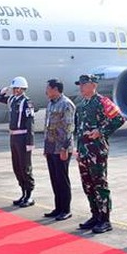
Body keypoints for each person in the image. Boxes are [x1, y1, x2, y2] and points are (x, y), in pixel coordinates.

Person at [74, 74, 125, 233]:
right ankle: (95, 215)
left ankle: (105, 219)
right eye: (80, 84)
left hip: (97, 149)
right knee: (87, 184)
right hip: (83, 151)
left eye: (84, 84)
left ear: (93, 85)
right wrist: (78, 148)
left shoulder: (102, 101)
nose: (81, 87)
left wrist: (101, 132)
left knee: (99, 184)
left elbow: (119, 119)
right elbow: (78, 129)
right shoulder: (81, 105)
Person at [0, 76, 36, 207]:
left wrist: (30, 142)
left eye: (16, 88)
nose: (14, 90)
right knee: (17, 166)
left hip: (23, 137)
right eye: (13, 88)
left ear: (22, 89)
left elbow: (30, 122)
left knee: (25, 167)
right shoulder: (12, 100)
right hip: (13, 137)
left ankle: (29, 195)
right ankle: (23, 192)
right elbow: (0, 97)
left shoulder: (27, 102)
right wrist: (6, 89)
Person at [42, 78, 76, 221]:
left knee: (62, 179)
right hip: (51, 147)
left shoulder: (66, 104)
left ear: (55, 89)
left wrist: (64, 148)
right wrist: (45, 147)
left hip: (61, 148)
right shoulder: (51, 104)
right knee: (54, 179)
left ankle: (66, 209)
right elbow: (47, 127)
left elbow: (69, 128)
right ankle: (58, 208)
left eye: (48, 88)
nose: (46, 91)